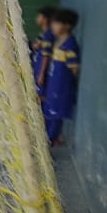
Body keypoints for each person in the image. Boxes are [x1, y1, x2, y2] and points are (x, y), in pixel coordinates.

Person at [42, 8, 81, 145]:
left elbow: (74, 69)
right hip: (53, 88)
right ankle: (47, 140)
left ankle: (51, 142)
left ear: (67, 26)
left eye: (56, 23)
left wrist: (68, 86)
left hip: (61, 90)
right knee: (49, 115)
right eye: (53, 23)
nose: (53, 26)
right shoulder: (58, 43)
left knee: (56, 117)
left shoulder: (70, 45)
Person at [31, 5, 57, 89]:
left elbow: (46, 56)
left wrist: (41, 74)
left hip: (40, 73)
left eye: (39, 16)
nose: (37, 18)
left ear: (45, 19)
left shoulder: (48, 35)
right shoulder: (43, 35)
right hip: (36, 69)